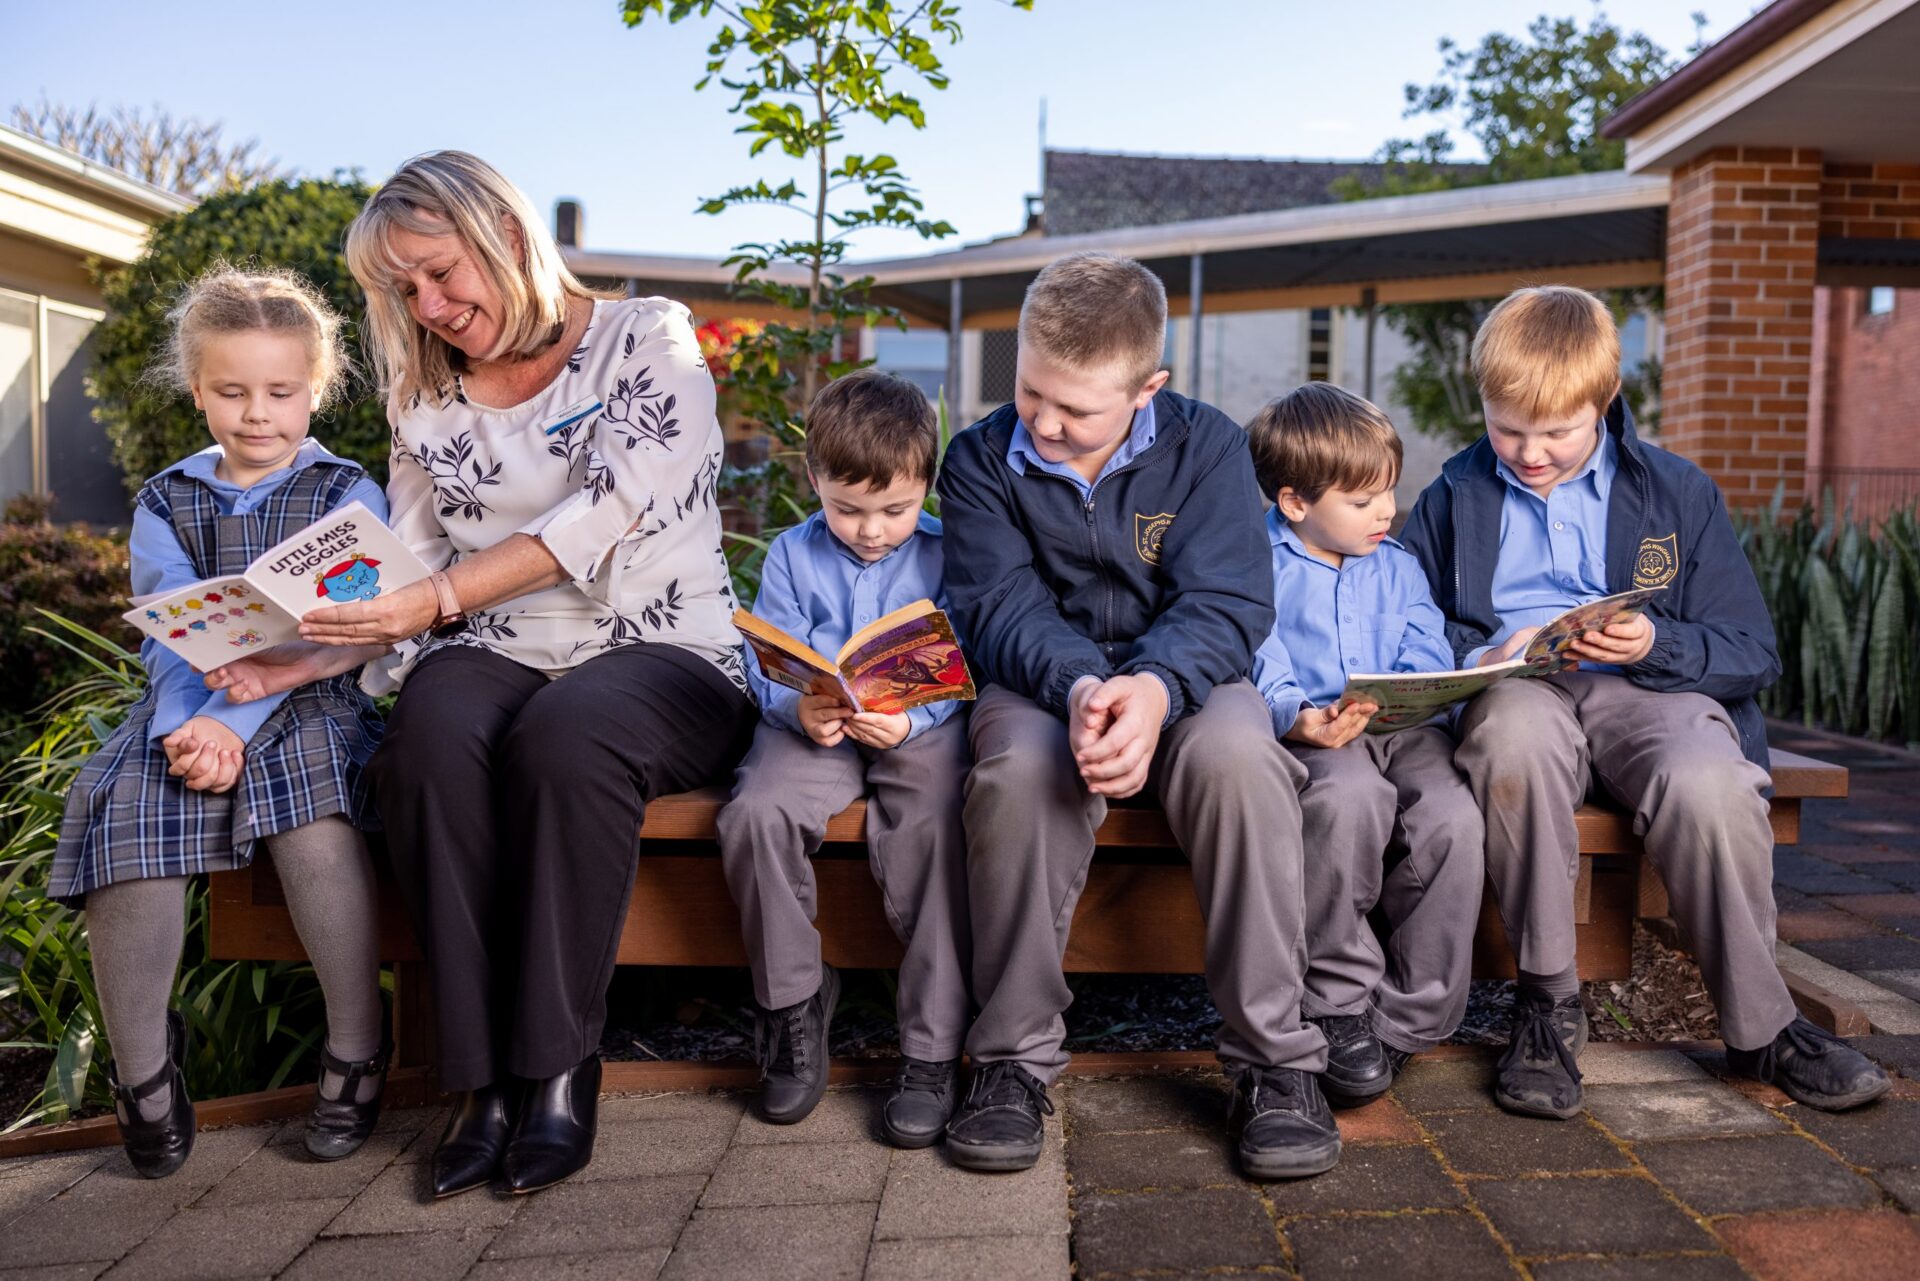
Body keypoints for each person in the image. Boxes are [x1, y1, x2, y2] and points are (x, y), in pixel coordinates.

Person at [210, 151, 756, 1195]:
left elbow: (603, 516)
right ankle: (479, 1084)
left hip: (663, 648)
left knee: (569, 735)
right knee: (429, 735)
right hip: (491, 643)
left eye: (439, 272)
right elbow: (406, 574)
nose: (429, 304)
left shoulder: (652, 337)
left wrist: (430, 603)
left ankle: (555, 1068)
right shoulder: (426, 391)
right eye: (403, 289)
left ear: (507, 236)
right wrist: (300, 655)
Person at [1400, 284, 1890, 1119]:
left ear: (1604, 400)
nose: (1528, 452)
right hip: (1519, 693)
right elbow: (1400, 626)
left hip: (1648, 693)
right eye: (1507, 428)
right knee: (1514, 740)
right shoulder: (1452, 497)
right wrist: (1484, 653)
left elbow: (1751, 649)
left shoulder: (1675, 493)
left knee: (1711, 783)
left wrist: (1655, 643)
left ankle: (1765, 1028)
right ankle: (1547, 1007)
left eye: (1555, 431)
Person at [935, 251, 1337, 1179]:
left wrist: (1153, 688)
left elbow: (1230, 601)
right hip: (1042, 684)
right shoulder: (979, 458)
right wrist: (1081, 686)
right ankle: (1010, 1061)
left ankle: (1277, 1063)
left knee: (1243, 763)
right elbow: (996, 605)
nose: (1043, 421)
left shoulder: (1210, 447)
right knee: (1018, 774)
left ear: (1149, 386)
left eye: (1076, 409)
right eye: (1032, 390)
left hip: (1192, 682)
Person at [54, 267, 390, 1177]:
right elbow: (168, 635)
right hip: (187, 709)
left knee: (314, 818)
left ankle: (356, 1050)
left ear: (314, 390)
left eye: (280, 392)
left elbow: (351, 630)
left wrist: (240, 722)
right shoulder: (168, 498)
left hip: (309, 698)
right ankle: (144, 1076)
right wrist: (185, 725)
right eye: (231, 391)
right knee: (127, 806)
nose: (256, 414)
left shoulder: (347, 493)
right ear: (197, 389)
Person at [717, 369, 971, 1146]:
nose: (870, 529)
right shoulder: (794, 555)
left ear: (925, 483)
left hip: (918, 729)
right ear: (814, 479)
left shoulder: (948, 551)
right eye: (846, 509)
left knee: (935, 823)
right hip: (817, 727)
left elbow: (970, 661)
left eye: (895, 510)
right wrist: (800, 706)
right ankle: (793, 1006)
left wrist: (915, 717)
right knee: (755, 812)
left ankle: (931, 1047)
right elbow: (768, 661)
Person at [1246, 383, 1485, 1107]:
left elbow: (1425, 644)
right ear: (1295, 502)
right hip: (1322, 733)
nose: (1385, 511)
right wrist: (1295, 713)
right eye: (1362, 499)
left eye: (1389, 492)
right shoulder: (1258, 562)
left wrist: (1416, 688)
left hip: (1405, 732)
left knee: (1453, 821)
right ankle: (1337, 1000)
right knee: (1348, 802)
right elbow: (1256, 651)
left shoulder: (1398, 564)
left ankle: (1408, 1018)